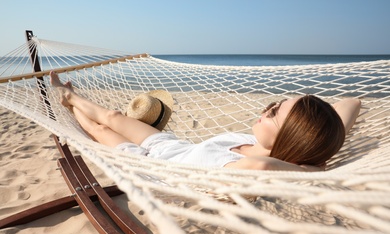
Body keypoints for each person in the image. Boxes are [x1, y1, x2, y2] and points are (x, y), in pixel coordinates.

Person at [50, 71, 361, 172]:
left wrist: (308, 170)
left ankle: (68, 103)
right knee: (114, 116)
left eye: (273, 113)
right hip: (171, 146)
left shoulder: (250, 169)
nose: (267, 108)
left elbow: (265, 167)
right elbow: (351, 103)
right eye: (274, 103)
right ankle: (71, 97)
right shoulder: (257, 144)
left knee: (96, 128)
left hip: (149, 164)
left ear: (291, 138)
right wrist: (324, 131)